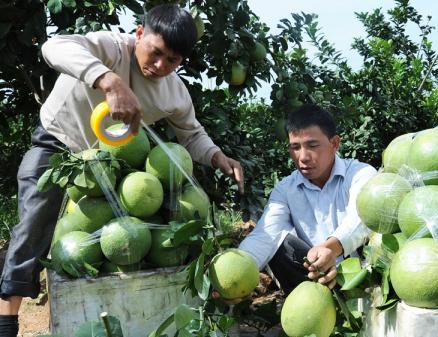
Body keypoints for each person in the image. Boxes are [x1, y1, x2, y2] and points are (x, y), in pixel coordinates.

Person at [0, 5, 244, 336]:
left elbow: (192, 134)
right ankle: (6, 322)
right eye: (155, 53)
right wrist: (108, 79)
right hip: (58, 147)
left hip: (116, 170)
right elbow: (52, 47)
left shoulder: (174, 92)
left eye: (171, 61)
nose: (160, 66)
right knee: (32, 228)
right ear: (140, 34)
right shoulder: (111, 47)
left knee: (142, 229)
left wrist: (217, 157)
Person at [217, 104, 377, 302]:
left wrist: (332, 246)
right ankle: (310, 308)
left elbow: (362, 217)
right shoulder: (286, 188)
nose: (303, 157)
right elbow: (265, 235)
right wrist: (238, 274)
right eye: (295, 147)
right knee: (280, 245)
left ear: (334, 144)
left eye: (312, 145)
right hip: (313, 279)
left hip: (360, 279)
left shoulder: (361, 174)